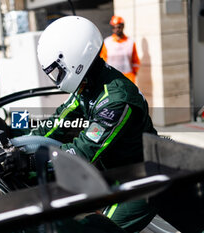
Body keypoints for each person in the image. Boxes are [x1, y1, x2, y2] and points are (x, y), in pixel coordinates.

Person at [27, 16, 157, 232]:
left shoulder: (116, 99)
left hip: (141, 181)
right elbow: (56, 124)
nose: (56, 79)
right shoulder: (88, 86)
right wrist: (19, 141)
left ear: (74, 61)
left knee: (98, 229)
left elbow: (81, 153)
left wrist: (30, 162)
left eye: (57, 71)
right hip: (114, 174)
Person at [100, 16, 140, 84]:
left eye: (118, 27)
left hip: (128, 77)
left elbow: (135, 61)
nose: (117, 29)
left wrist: (134, 73)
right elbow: (103, 59)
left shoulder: (130, 42)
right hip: (112, 78)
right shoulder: (107, 42)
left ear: (122, 26)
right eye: (114, 27)